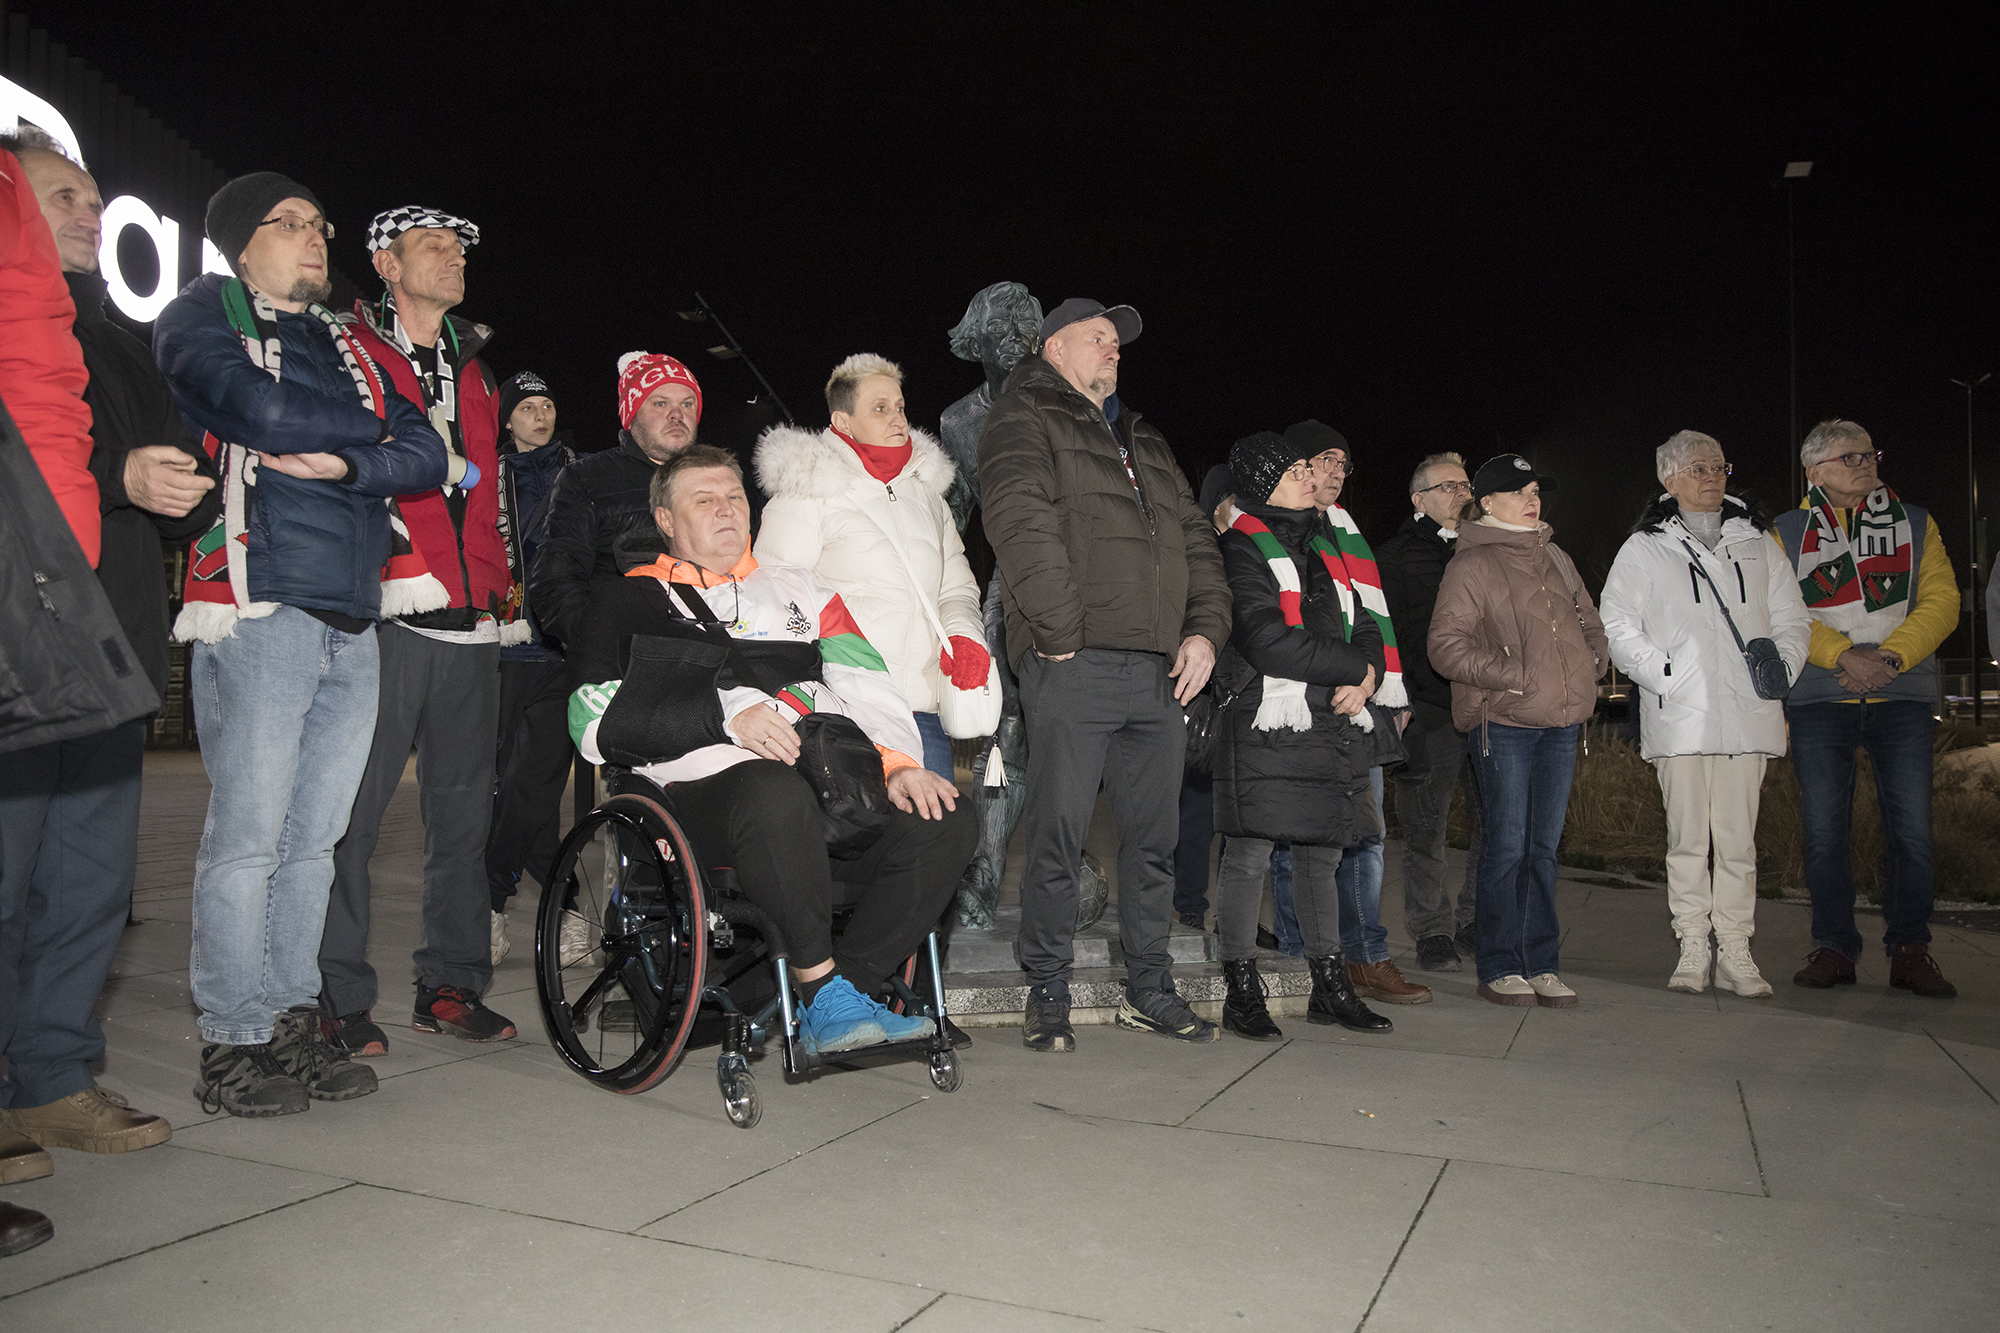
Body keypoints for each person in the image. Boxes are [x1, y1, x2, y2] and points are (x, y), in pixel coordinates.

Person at [152, 172, 452, 1115]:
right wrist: (374, 440)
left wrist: (349, 461)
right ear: (242, 243)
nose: (315, 238)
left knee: (315, 844)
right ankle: (231, 1040)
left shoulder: (346, 340)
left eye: (320, 225)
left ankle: (290, 1021)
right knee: (247, 840)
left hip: (353, 615)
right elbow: (260, 412)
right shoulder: (202, 311)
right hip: (259, 605)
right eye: (289, 225)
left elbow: (429, 453)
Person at [566, 447, 976, 1053]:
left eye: (735, 497)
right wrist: (723, 715)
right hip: (692, 798)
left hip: (820, 790)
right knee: (771, 790)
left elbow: (866, 683)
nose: (726, 510)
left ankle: (840, 992)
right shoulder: (625, 600)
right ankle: (822, 991)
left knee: (946, 815)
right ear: (666, 520)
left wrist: (896, 765)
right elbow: (590, 719)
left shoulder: (803, 589)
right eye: (704, 500)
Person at [2, 133, 219, 1174]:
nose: (91, 216)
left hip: (116, 647)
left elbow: (174, 490)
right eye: (62, 198)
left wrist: (184, 489)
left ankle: (54, 1077)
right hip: (21, 654)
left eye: (94, 200)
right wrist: (116, 473)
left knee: (88, 884)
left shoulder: (124, 346)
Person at [979, 297, 1231, 1051]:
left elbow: (1195, 538)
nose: (1114, 348)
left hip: (1159, 669)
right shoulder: (1024, 414)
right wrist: (1058, 632)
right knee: (1058, 833)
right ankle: (1048, 990)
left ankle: (1149, 987)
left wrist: (1205, 632)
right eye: (1098, 336)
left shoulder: (1143, 436)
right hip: (1075, 660)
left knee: (1153, 840)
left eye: (1118, 341)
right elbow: (1018, 517)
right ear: (1053, 346)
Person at [319, 206, 522, 1054]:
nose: (454, 257)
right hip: (387, 613)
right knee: (350, 818)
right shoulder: (349, 350)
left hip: (472, 622)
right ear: (387, 264)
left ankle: (449, 984)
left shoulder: (477, 370)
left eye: (460, 248)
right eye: (432, 246)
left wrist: (500, 590)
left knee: (463, 821)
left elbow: (491, 491)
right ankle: (334, 996)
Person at [1600, 432, 1812, 995]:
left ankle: (1736, 950)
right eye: (1699, 468)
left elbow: (1793, 618)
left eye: (1719, 467)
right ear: (1668, 479)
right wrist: (1666, 674)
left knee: (1739, 843)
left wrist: (1782, 669)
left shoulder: (1758, 543)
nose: (1713, 477)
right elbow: (1617, 624)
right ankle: (1693, 944)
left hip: (1748, 713)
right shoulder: (1645, 548)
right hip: (1683, 716)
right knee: (1688, 841)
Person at [1211, 433, 1394, 1040]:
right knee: (1249, 856)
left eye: (1309, 470)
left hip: (1330, 718)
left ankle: (1330, 987)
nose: (1312, 479)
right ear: (1265, 484)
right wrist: (1354, 668)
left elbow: (1365, 623)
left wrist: (1367, 676)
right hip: (1265, 720)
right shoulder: (1239, 547)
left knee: (1323, 853)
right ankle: (1242, 991)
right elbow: (1266, 640)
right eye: (1296, 472)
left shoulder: (1324, 547)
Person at [1775, 421, 1959, 997]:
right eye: (1848, 457)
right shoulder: (1784, 532)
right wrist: (1843, 656)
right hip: (1821, 698)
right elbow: (1781, 612)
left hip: (1900, 695)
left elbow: (1943, 601)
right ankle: (1835, 948)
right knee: (1824, 833)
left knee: (1913, 834)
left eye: (1868, 454)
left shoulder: (1917, 523)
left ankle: (1909, 950)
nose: (1865, 464)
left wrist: (1891, 657)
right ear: (1814, 472)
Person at [755, 353, 987, 780]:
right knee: (858, 823)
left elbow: (956, 588)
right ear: (842, 422)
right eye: (880, 408)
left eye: (900, 406)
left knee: (937, 822)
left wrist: (964, 636)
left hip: (923, 710)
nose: (897, 418)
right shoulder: (807, 488)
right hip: (845, 709)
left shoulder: (927, 495)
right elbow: (773, 600)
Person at [1429, 454, 1607, 1009]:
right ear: (1487, 503)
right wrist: (1513, 675)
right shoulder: (1471, 564)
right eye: (1518, 491)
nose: (1532, 500)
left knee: (1543, 851)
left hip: (1561, 723)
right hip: (1504, 724)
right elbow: (1445, 647)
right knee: (1506, 848)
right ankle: (1501, 965)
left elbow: (1590, 622)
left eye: (1535, 491)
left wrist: (1591, 664)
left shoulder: (1556, 555)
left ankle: (1542, 963)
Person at [1287, 420, 1429, 1006]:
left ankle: (1365, 955)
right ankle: (1298, 959)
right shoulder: (1277, 529)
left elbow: (1368, 619)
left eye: (1344, 463)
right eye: (1326, 459)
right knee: (1294, 838)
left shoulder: (1347, 533)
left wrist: (1382, 685)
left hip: (1363, 701)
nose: (1337, 473)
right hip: (1301, 702)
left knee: (1367, 835)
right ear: (1297, 464)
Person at [486, 371, 576, 964]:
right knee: (511, 785)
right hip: (500, 645)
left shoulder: (578, 470)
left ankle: (491, 900)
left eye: (547, 405)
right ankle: (568, 906)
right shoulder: (487, 476)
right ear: (508, 418)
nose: (540, 416)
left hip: (562, 648)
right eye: (527, 408)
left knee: (531, 779)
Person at [1375, 450, 1478, 972]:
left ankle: (1477, 921)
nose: (1461, 494)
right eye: (1447, 487)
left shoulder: (1484, 548)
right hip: (1431, 710)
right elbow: (1386, 636)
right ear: (1419, 500)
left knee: (1494, 822)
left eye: (1465, 486)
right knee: (1425, 826)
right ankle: (1432, 930)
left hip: (1489, 707)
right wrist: (1405, 702)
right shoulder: (1393, 558)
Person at [531, 352, 702, 650]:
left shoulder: (720, 480)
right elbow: (556, 580)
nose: (677, 415)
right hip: (628, 657)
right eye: (660, 403)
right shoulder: (587, 478)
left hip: (712, 652)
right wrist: (604, 646)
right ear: (632, 414)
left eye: (687, 404)